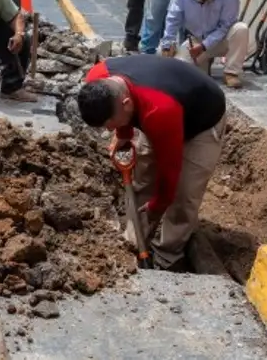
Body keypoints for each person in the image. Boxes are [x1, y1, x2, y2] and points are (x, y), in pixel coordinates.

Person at [77, 54, 226, 271]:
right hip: (162, 106)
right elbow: (121, 116)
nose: (108, 130)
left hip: (201, 121)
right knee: (143, 179)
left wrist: (159, 204)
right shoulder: (98, 78)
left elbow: (170, 169)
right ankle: (134, 244)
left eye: (111, 124)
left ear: (126, 105)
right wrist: (123, 133)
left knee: (184, 196)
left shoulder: (158, 111)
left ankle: (168, 256)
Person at [160, 0, 248, 88]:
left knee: (241, 29)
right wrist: (167, 44)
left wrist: (204, 46)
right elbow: (173, 17)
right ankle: (204, 64)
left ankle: (231, 72)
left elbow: (225, 26)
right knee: (182, 72)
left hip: (223, 40)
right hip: (196, 41)